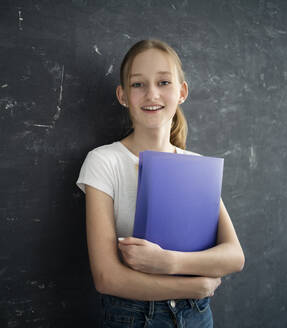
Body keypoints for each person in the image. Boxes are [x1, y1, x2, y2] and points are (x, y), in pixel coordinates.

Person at [76, 39, 245, 327]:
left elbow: (234, 256)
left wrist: (170, 263)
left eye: (164, 82)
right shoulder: (104, 161)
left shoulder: (196, 164)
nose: (151, 93)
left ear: (182, 92)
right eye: (138, 84)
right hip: (134, 317)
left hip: (197, 315)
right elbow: (106, 278)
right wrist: (193, 285)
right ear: (123, 95)